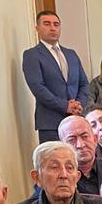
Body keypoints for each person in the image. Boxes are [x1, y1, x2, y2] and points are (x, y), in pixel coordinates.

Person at [22, 10, 90, 142]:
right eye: (47, 24)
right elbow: (38, 88)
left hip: (77, 120)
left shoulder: (71, 54)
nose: (52, 28)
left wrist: (79, 104)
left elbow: (84, 84)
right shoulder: (32, 55)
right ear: (37, 28)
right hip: (50, 123)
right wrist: (65, 106)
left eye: (56, 24)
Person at [57, 114, 102, 195]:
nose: (80, 145)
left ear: (95, 139)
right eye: (72, 140)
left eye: (85, 137)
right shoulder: (56, 180)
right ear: (63, 146)